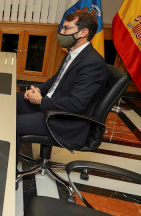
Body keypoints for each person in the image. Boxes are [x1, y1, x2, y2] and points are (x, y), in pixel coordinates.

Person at [16, 11, 107, 158]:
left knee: (11, 123)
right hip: (52, 106)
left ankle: (7, 172)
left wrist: (41, 101)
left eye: (66, 28)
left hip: (64, 120)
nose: (62, 32)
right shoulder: (73, 54)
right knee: (10, 101)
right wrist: (37, 89)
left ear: (83, 32)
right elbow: (56, 80)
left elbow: (77, 103)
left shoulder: (92, 63)